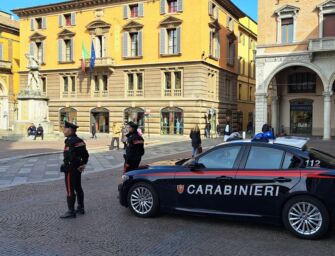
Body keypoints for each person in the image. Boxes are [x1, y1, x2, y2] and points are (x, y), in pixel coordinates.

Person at [60, 121, 89, 219]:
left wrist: (70, 165)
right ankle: (81, 207)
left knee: (70, 190)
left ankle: (71, 211)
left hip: (70, 169)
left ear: (70, 130)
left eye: (65, 129)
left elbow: (70, 156)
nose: (63, 131)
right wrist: (83, 164)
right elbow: (85, 154)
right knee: (78, 187)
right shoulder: (79, 140)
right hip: (77, 169)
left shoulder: (70, 141)